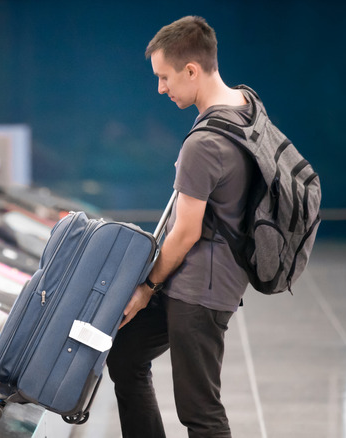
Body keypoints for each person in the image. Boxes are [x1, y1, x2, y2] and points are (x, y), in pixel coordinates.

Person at [106, 16, 257, 438]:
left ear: (192, 70)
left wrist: (146, 287)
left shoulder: (205, 142)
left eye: (165, 77)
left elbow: (186, 232)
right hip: (199, 277)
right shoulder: (246, 105)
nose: (160, 88)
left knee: (199, 411)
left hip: (200, 290)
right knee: (126, 354)